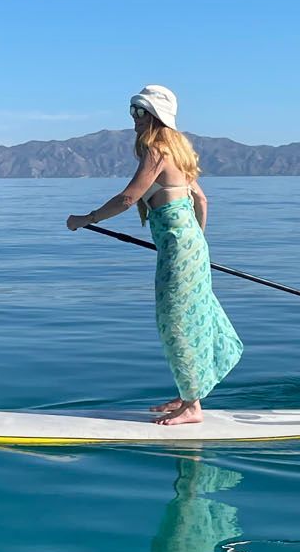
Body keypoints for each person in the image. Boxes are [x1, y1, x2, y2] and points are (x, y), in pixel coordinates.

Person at [66, 84, 243, 425]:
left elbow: (128, 198)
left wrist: (85, 219)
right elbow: (202, 202)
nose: (133, 118)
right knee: (188, 317)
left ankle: (192, 407)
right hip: (187, 247)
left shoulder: (158, 152)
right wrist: (195, 246)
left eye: (139, 112)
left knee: (175, 322)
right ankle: (187, 393)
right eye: (132, 110)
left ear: (155, 116)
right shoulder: (179, 152)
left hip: (180, 250)